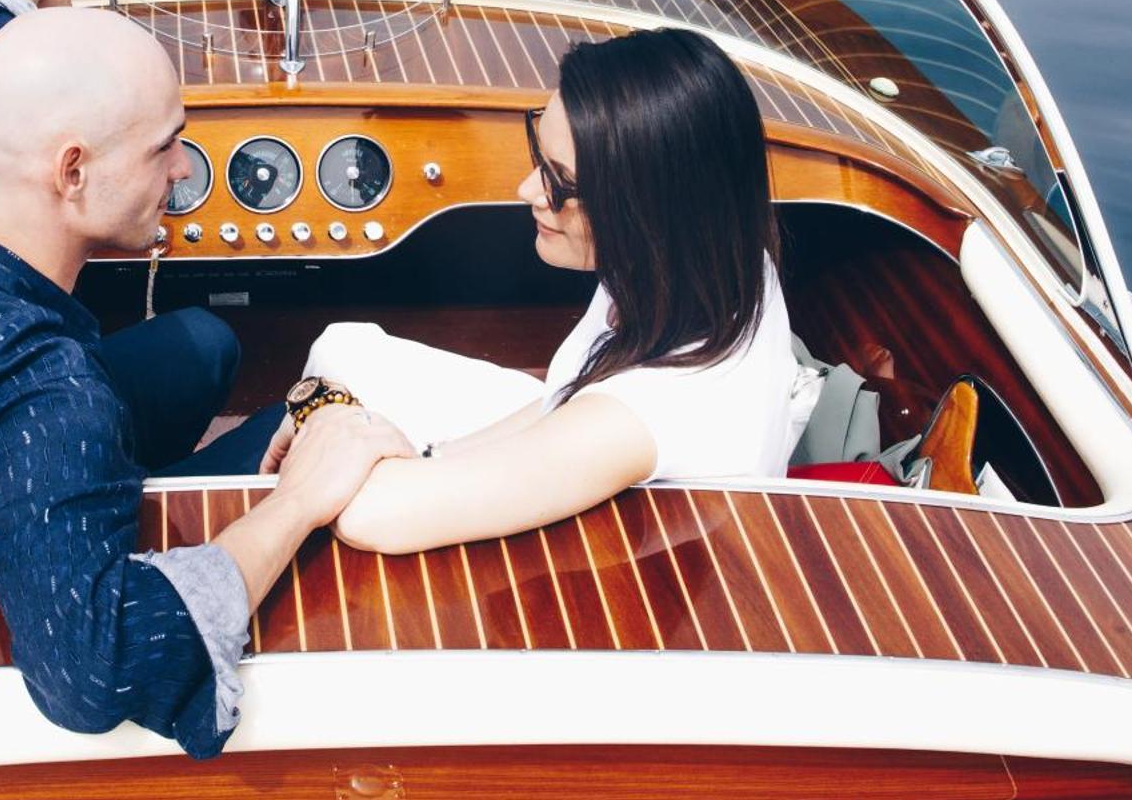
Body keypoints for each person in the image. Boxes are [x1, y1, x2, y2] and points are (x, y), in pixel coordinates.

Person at [0, 0, 407, 757]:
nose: (185, 171)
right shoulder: (49, 402)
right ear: (71, 171)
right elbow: (90, 680)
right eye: (164, 146)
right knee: (304, 434)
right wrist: (295, 503)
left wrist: (50, 15)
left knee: (206, 343)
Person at [274, 28, 797, 554]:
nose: (528, 190)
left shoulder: (645, 412)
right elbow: (562, 396)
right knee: (338, 349)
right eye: (539, 157)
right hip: (584, 425)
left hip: (623, 551)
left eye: (560, 181)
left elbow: (372, 516)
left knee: (333, 396)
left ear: (648, 211)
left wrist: (327, 417)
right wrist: (431, 453)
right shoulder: (719, 261)